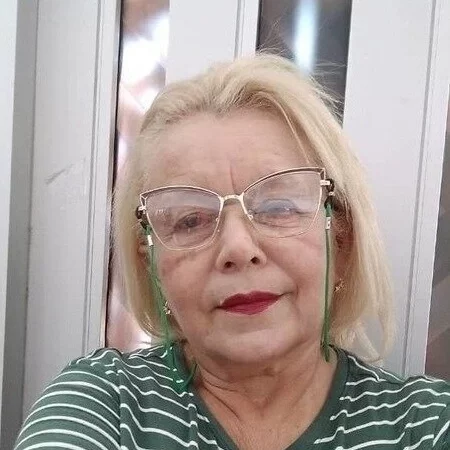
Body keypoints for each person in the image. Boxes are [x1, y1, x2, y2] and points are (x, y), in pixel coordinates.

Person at [15, 54, 450, 450]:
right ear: (152, 265)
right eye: (190, 219)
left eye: (278, 206)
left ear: (343, 241)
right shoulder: (106, 403)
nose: (238, 248)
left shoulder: (426, 425)